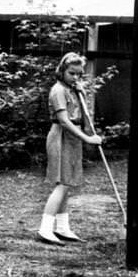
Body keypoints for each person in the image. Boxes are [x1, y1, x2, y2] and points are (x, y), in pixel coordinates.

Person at [38, 52, 103, 245]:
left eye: (79, 74)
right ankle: (45, 228)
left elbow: (80, 114)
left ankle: (62, 227)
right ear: (62, 71)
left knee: (68, 183)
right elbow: (64, 121)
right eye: (72, 73)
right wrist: (88, 139)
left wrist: (80, 91)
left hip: (72, 137)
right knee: (63, 183)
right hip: (61, 136)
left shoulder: (71, 89)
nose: (76, 78)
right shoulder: (58, 90)